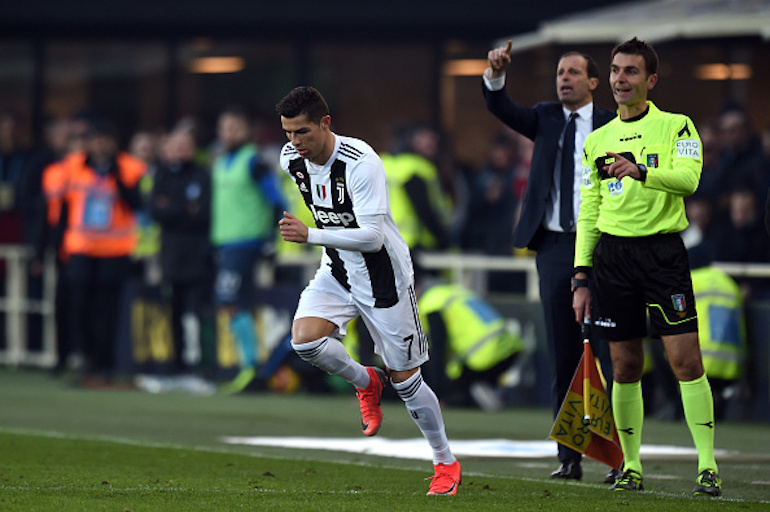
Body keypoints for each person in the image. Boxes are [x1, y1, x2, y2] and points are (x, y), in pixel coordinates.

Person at [275, 86, 461, 495]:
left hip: (384, 278)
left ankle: (444, 460)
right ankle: (365, 382)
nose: (294, 142)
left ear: (326, 124)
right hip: (338, 270)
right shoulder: (291, 159)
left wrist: (310, 235)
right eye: (288, 132)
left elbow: (374, 237)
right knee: (305, 342)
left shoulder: (361, 162)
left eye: (302, 131)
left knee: (407, 379)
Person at [572, 37, 721, 496]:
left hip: (662, 255)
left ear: (650, 80)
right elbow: (590, 210)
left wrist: (641, 171)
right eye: (616, 70)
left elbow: (690, 179)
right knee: (625, 366)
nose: (620, 79)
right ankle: (630, 466)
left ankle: (708, 465)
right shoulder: (597, 140)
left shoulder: (676, 127)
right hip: (614, 260)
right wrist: (581, 275)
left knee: (686, 361)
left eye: (630, 71)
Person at [483, 39, 616, 481]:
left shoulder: (613, 123)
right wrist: (496, 73)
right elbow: (500, 106)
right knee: (563, 350)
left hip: (604, 248)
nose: (564, 78)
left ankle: (620, 457)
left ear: (593, 82)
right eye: (560, 72)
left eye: (573, 72)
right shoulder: (544, 118)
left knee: (610, 351)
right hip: (557, 248)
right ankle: (569, 455)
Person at [42, 118, 145, 385]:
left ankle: (105, 363)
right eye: (96, 138)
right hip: (80, 248)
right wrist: (52, 246)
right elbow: (58, 206)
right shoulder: (72, 166)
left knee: (107, 312)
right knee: (79, 308)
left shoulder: (130, 167)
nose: (100, 144)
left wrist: (116, 176)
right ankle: (83, 360)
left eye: (105, 138)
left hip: (115, 250)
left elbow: (138, 204)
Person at [210, 106, 286, 393]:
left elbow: (276, 198)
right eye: (224, 128)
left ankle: (252, 366)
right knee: (235, 303)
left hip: (246, 242)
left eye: (234, 128)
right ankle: (252, 367)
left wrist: (273, 237)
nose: (229, 134)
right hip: (226, 243)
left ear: (245, 132)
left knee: (231, 302)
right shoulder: (220, 162)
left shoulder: (253, 161)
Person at [150, 128, 213, 375]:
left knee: (198, 311)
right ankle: (175, 363)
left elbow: (203, 214)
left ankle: (199, 362)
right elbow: (157, 212)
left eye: (185, 145)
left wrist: (175, 211)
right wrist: (186, 210)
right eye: (175, 144)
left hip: (197, 256)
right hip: (171, 256)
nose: (180, 150)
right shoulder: (162, 176)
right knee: (173, 311)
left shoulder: (202, 175)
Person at [417, 277, 524, 410]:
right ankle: (487, 388)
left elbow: (439, 349)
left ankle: (474, 392)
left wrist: (437, 394)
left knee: (452, 389)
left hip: (484, 356)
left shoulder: (431, 301)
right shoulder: (453, 290)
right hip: (510, 346)